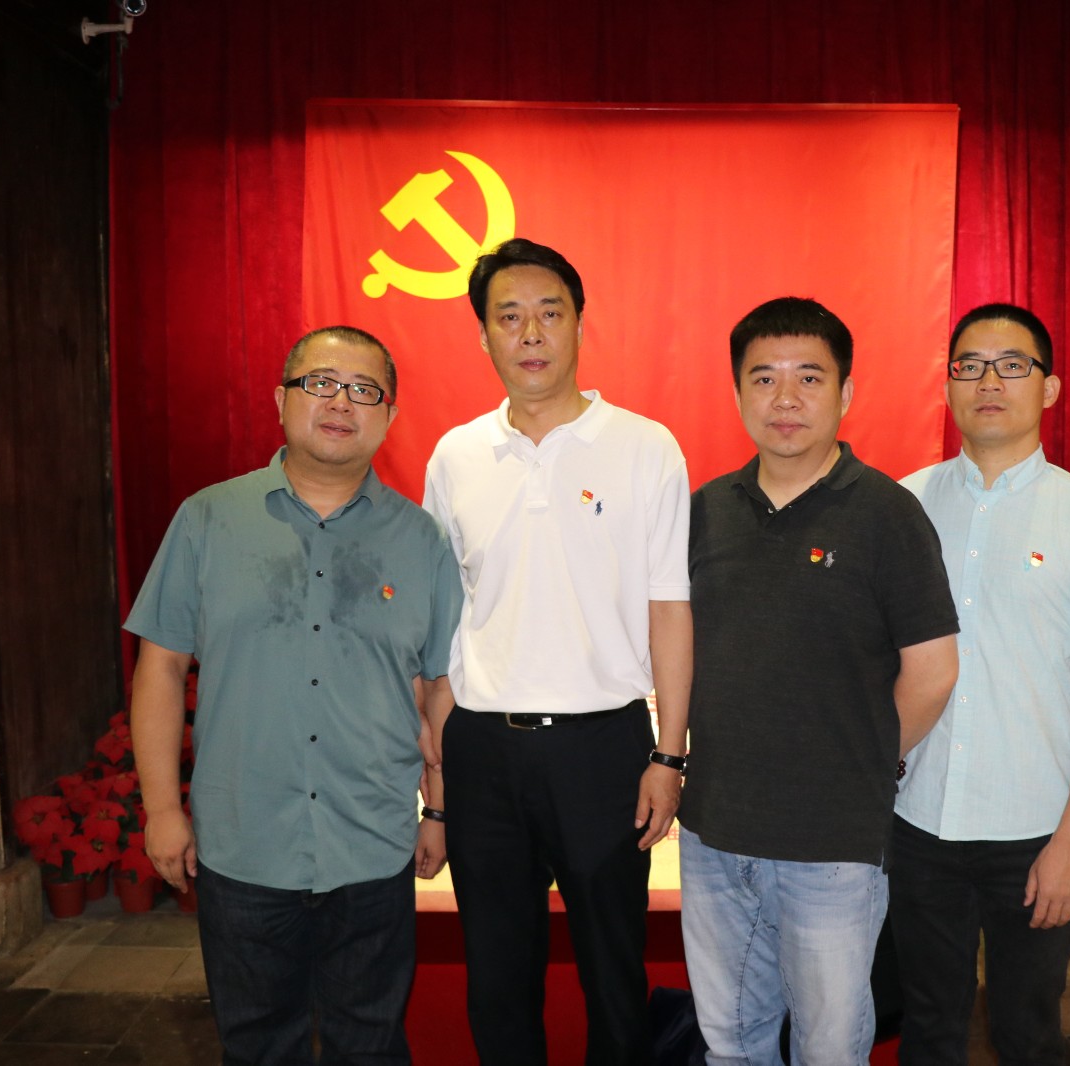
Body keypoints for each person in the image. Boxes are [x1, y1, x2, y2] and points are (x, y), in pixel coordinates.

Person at [126, 326, 462, 1065]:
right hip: (244, 842)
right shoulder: (208, 519)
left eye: (364, 390)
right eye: (321, 383)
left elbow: (437, 687)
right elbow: (160, 668)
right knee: (256, 1046)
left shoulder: (421, 539)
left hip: (371, 842)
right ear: (282, 400)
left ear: (389, 415)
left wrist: (437, 810)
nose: (341, 402)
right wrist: (162, 809)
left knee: (370, 1045)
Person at [421, 238, 692, 1065]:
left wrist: (668, 755)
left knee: (614, 975)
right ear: (484, 336)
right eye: (509, 317)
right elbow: (441, 624)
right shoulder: (456, 455)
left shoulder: (645, 446)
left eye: (550, 313)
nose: (531, 333)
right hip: (483, 748)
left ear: (579, 324)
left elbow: (670, 610)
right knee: (497, 979)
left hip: (602, 749)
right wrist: (437, 780)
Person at [679, 296, 961, 1065]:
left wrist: (862, 761)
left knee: (829, 1047)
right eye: (763, 378)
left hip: (831, 845)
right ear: (737, 392)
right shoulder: (704, 512)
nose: (786, 398)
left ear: (846, 393)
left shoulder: (888, 515)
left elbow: (933, 672)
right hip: (713, 833)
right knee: (730, 1043)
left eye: (809, 377)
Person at [890, 303, 1070, 1064]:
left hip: (1034, 829)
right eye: (969, 366)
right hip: (917, 819)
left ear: (1050, 388)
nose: (989, 382)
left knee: (1028, 1034)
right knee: (926, 1030)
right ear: (947, 387)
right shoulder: (902, 506)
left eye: (1012, 365)